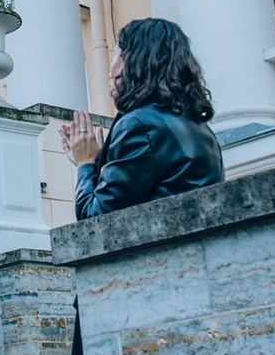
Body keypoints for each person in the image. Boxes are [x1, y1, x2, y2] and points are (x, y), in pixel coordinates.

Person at [67, 17, 225, 218]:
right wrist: (99, 165)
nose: (110, 69)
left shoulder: (138, 126)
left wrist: (85, 164)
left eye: (116, 55)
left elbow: (94, 220)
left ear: (131, 60)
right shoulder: (201, 128)